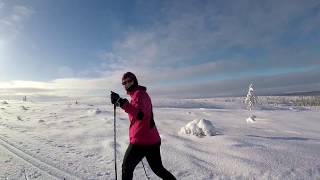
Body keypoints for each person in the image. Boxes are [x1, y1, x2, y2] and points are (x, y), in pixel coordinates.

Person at [111, 72, 176, 180]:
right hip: (152, 140)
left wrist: (122, 103)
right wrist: (121, 103)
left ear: (134, 81)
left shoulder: (139, 94)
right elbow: (137, 110)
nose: (127, 84)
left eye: (129, 81)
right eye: (124, 83)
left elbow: (139, 114)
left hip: (141, 141)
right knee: (158, 169)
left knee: (126, 168)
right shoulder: (139, 94)